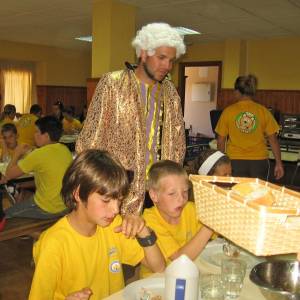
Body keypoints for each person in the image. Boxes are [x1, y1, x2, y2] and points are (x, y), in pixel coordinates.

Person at [76, 23, 186, 215]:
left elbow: (177, 145)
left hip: (156, 193)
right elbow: (90, 140)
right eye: (161, 58)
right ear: (143, 53)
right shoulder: (113, 84)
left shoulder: (170, 93)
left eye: (171, 60)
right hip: (117, 191)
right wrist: (91, 187)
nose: (167, 66)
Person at [29, 149, 165, 299]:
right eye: (106, 200)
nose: (116, 209)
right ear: (78, 194)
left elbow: (159, 268)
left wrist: (143, 230)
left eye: (119, 200)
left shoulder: (114, 225)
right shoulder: (54, 243)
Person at [140, 160, 213, 278]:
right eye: (172, 193)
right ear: (154, 195)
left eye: (185, 191)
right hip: (157, 281)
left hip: (188, 272)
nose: (181, 199)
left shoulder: (189, 208)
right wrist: (210, 225)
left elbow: (218, 236)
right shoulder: (148, 220)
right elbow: (179, 260)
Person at [0, 116, 72, 219]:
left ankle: (36, 233)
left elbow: (8, 174)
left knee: (5, 215)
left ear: (46, 136)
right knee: (23, 199)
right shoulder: (65, 150)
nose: (34, 135)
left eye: (37, 132)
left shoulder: (39, 154)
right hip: (65, 205)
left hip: (49, 208)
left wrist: (17, 153)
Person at [215, 74, 284, 181]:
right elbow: (273, 140)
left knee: (236, 194)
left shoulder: (228, 111)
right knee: (257, 195)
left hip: (235, 162)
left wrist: (221, 163)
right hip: (259, 162)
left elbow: (220, 141)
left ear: (237, 91)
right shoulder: (263, 111)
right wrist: (279, 163)